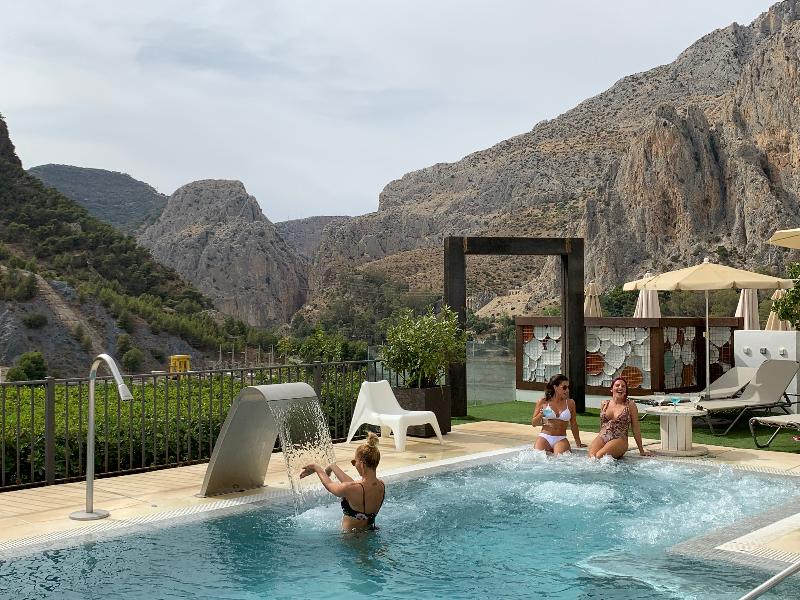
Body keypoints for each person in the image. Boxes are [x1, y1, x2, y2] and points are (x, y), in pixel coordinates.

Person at [300, 431, 386, 531]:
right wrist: (332, 466)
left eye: (354, 462)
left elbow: (329, 485)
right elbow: (353, 485)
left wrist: (316, 468)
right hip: (371, 532)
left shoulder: (353, 489)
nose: (354, 465)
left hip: (351, 538)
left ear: (362, 464)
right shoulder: (381, 485)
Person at [589, 376, 652, 459]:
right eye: (617, 385)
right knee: (592, 457)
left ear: (626, 391)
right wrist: (599, 439)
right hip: (603, 435)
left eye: (623, 386)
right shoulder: (604, 404)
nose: (620, 388)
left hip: (620, 439)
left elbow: (635, 428)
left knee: (600, 456)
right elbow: (602, 424)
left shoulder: (630, 405)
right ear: (611, 389)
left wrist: (641, 450)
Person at [531, 373, 586, 455]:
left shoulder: (570, 403)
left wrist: (578, 442)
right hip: (544, 437)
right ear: (555, 387)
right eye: (564, 387)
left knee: (560, 460)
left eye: (568, 387)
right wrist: (541, 414)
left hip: (560, 438)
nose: (567, 390)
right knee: (537, 457)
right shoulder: (543, 401)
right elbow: (534, 423)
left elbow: (573, 424)